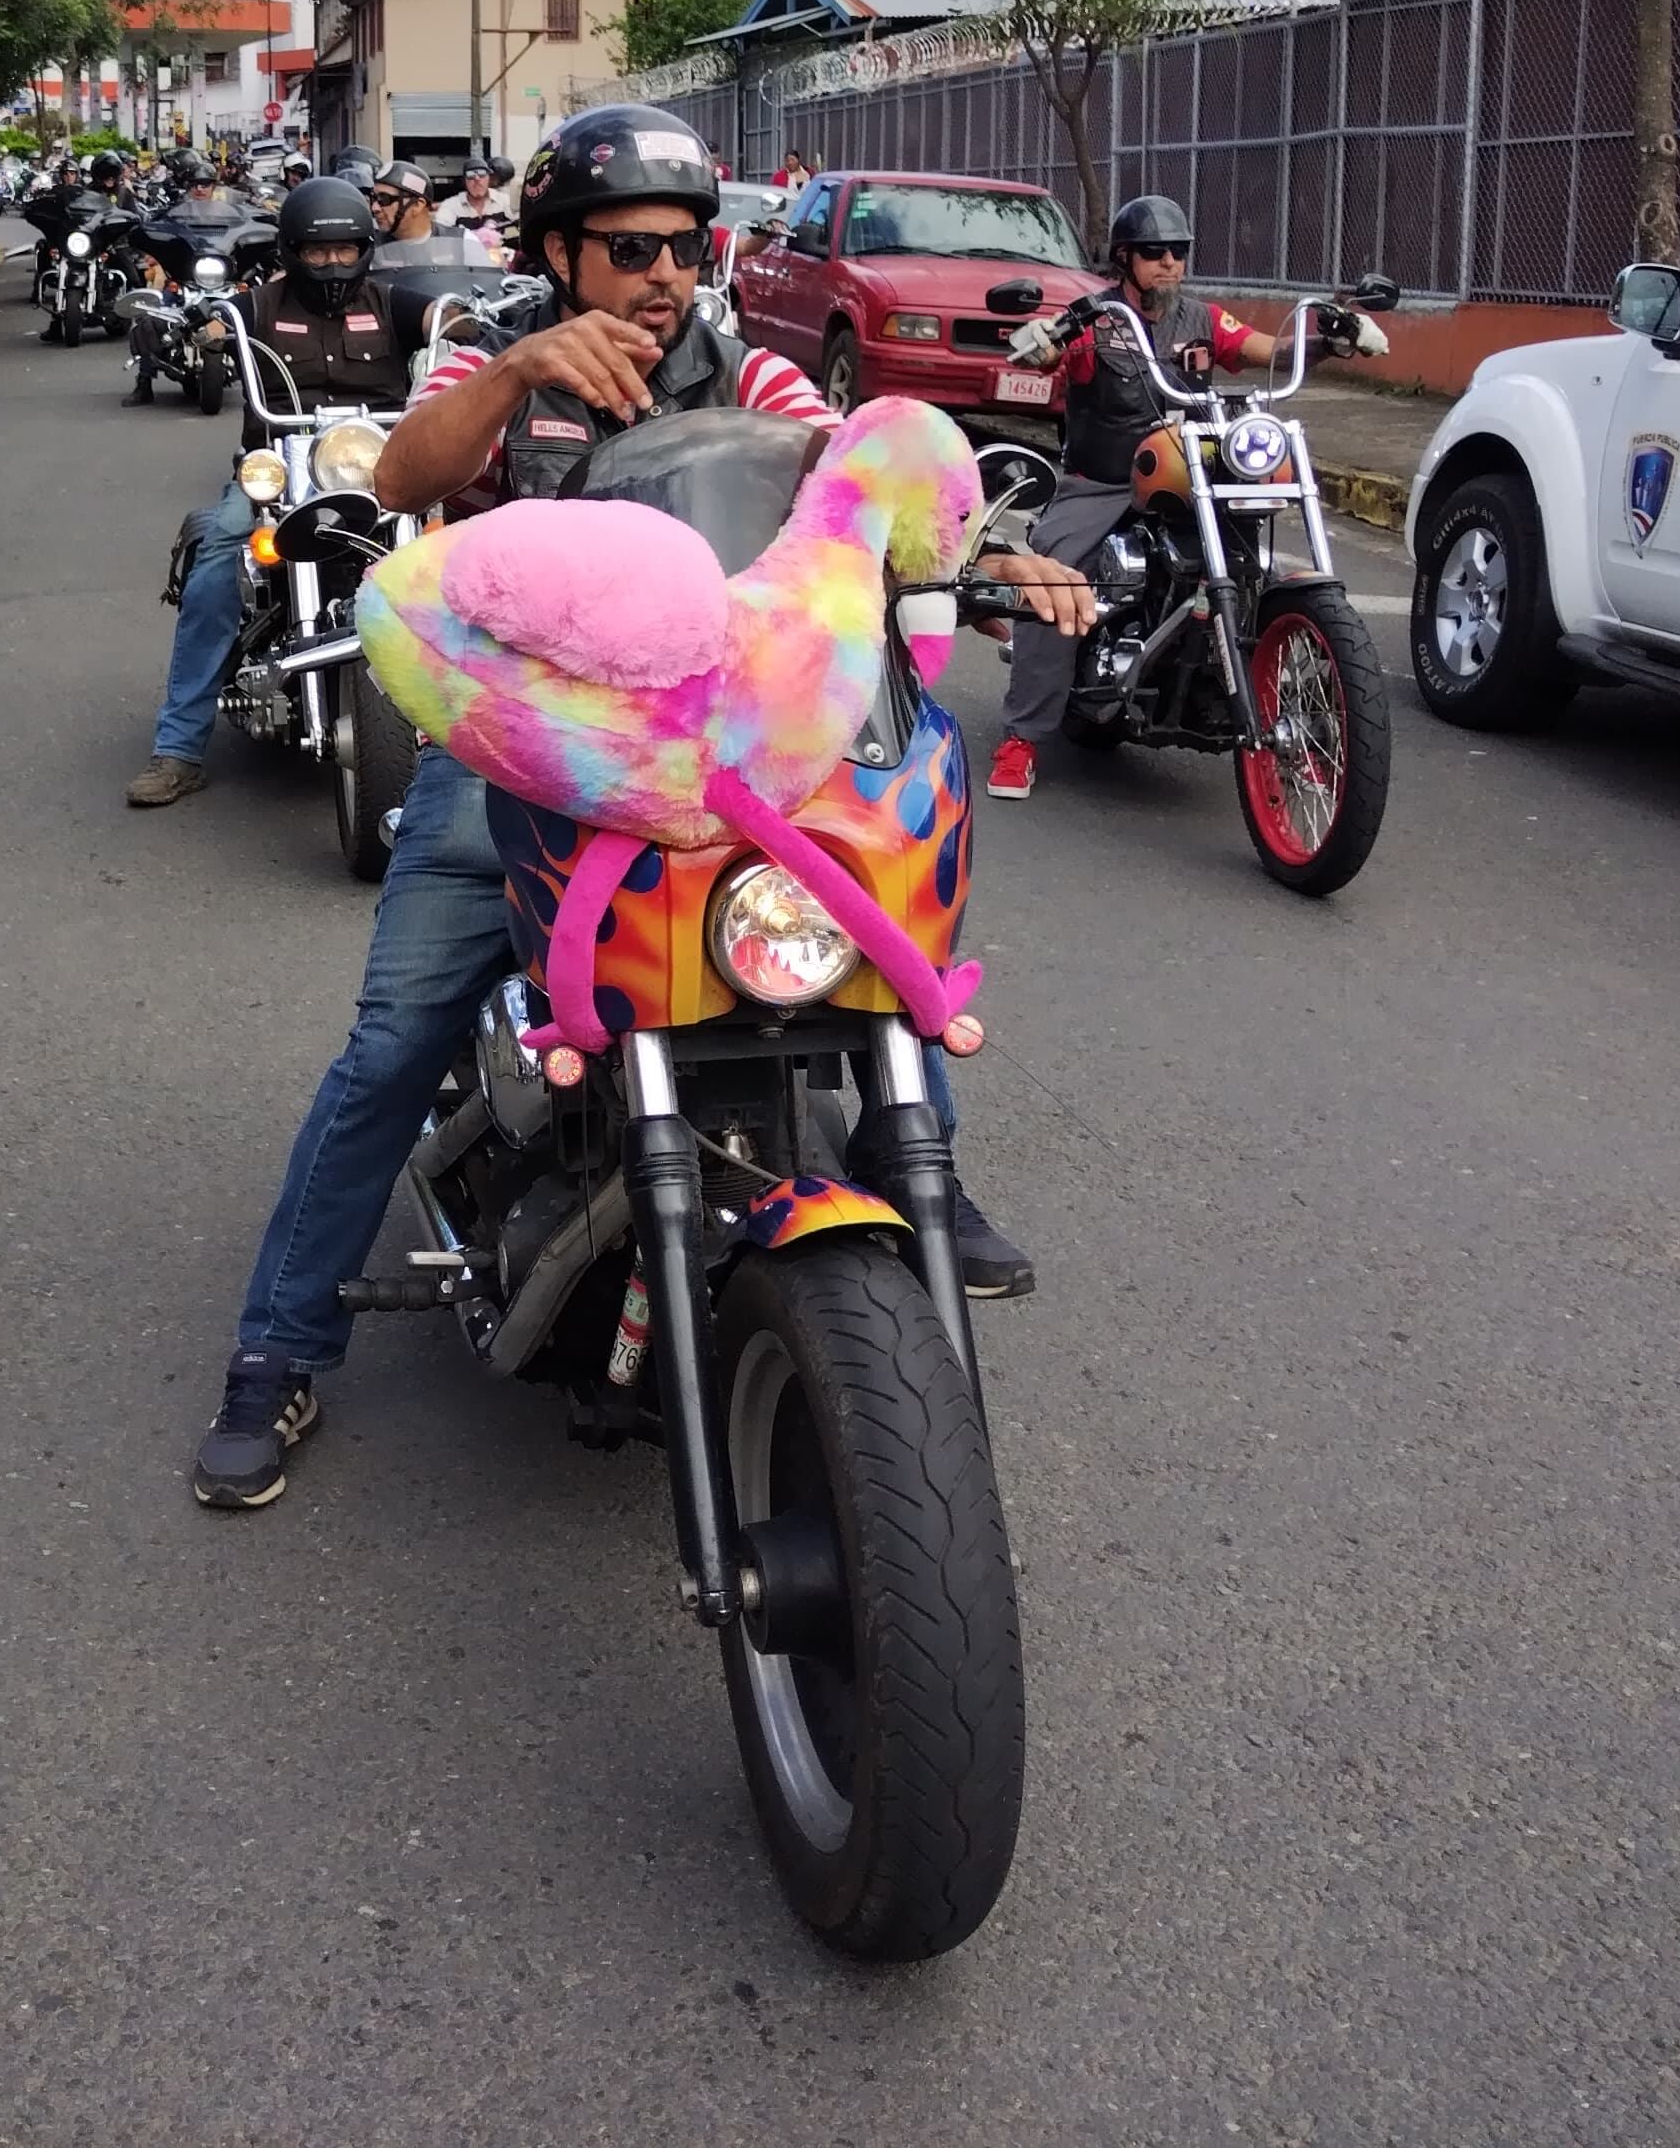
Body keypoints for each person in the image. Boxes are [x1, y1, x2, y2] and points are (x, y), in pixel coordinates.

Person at [189, 106, 1098, 1510]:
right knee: (387, 1050)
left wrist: (1002, 559)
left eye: (685, 246)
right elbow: (400, 477)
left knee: (877, 932)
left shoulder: (761, 381)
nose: (664, 273)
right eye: (629, 249)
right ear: (560, 253)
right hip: (522, 768)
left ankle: (912, 1164)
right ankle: (278, 1348)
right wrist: (514, 380)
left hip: (732, 767)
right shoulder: (496, 357)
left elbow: (875, 484)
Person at [985, 195, 1377, 797]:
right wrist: (1043, 343)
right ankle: (1020, 739)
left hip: (1189, 473)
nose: (1169, 262)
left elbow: (1270, 353)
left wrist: (1331, 338)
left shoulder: (1203, 319)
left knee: (1255, 544)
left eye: (1179, 252)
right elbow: (1053, 358)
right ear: (1125, 258)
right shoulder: (1098, 319)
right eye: (1154, 252)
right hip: (1104, 483)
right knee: (1052, 580)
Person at [126, 176, 409, 807]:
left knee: (469, 567)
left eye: (344, 250)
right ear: (291, 252)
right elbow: (216, 314)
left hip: (382, 467)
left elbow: (453, 316)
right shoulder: (260, 308)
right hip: (280, 470)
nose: (332, 263)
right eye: (316, 252)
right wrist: (208, 322)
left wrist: (472, 321)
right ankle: (178, 748)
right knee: (217, 571)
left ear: (365, 247)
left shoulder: (393, 304)